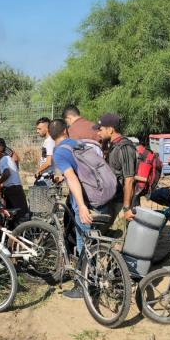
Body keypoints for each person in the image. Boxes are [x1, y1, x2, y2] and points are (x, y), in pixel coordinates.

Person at [50, 119, 105, 299]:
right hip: (99, 194)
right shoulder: (79, 144)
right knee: (91, 241)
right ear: (66, 131)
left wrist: (81, 206)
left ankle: (84, 286)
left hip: (85, 199)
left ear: (51, 136)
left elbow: (73, 179)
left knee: (84, 242)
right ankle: (94, 278)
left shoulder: (59, 152)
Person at [94, 113, 137, 234]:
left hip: (121, 203)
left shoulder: (125, 148)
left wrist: (126, 208)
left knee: (118, 238)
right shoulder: (113, 145)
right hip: (113, 199)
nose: (98, 133)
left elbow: (129, 180)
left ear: (110, 130)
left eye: (101, 130)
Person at [0, 138, 29, 220]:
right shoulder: (8, 158)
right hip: (16, 188)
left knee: (17, 215)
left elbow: (7, 173)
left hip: (12, 189)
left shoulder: (3, 160)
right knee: (19, 214)